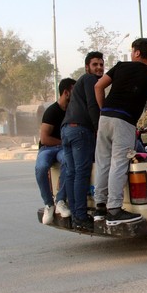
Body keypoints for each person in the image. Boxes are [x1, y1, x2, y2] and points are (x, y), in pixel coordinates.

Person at [93, 38, 147, 226]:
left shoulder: (121, 67)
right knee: (119, 163)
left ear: (137, 52)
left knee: (103, 162)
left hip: (105, 119)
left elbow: (98, 86)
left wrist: (103, 109)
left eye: (132, 50)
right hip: (125, 122)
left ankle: (100, 208)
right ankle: (114, 209)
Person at [60, 51, 104, 232]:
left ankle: (74, 214)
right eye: (95, 64)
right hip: (80, 131)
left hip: (67, 130)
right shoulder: (90, 80)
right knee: (81, 173)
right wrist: (98, 128)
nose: (99, 68)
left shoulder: (80, 82)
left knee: (71, 173)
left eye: (101, 64)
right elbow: (93, 106)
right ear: (87, 67)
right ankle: (80, 216)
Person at [36, 77, 76, 225]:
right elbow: (44, 138)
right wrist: (64, 142)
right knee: (41, 167)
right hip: (48, 148)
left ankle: (60, 200)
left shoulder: (73, 111)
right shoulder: (52, 111)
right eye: (74, 91)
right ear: (66, 93)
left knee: (68, 161)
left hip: (62, 149)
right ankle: (48, 204)